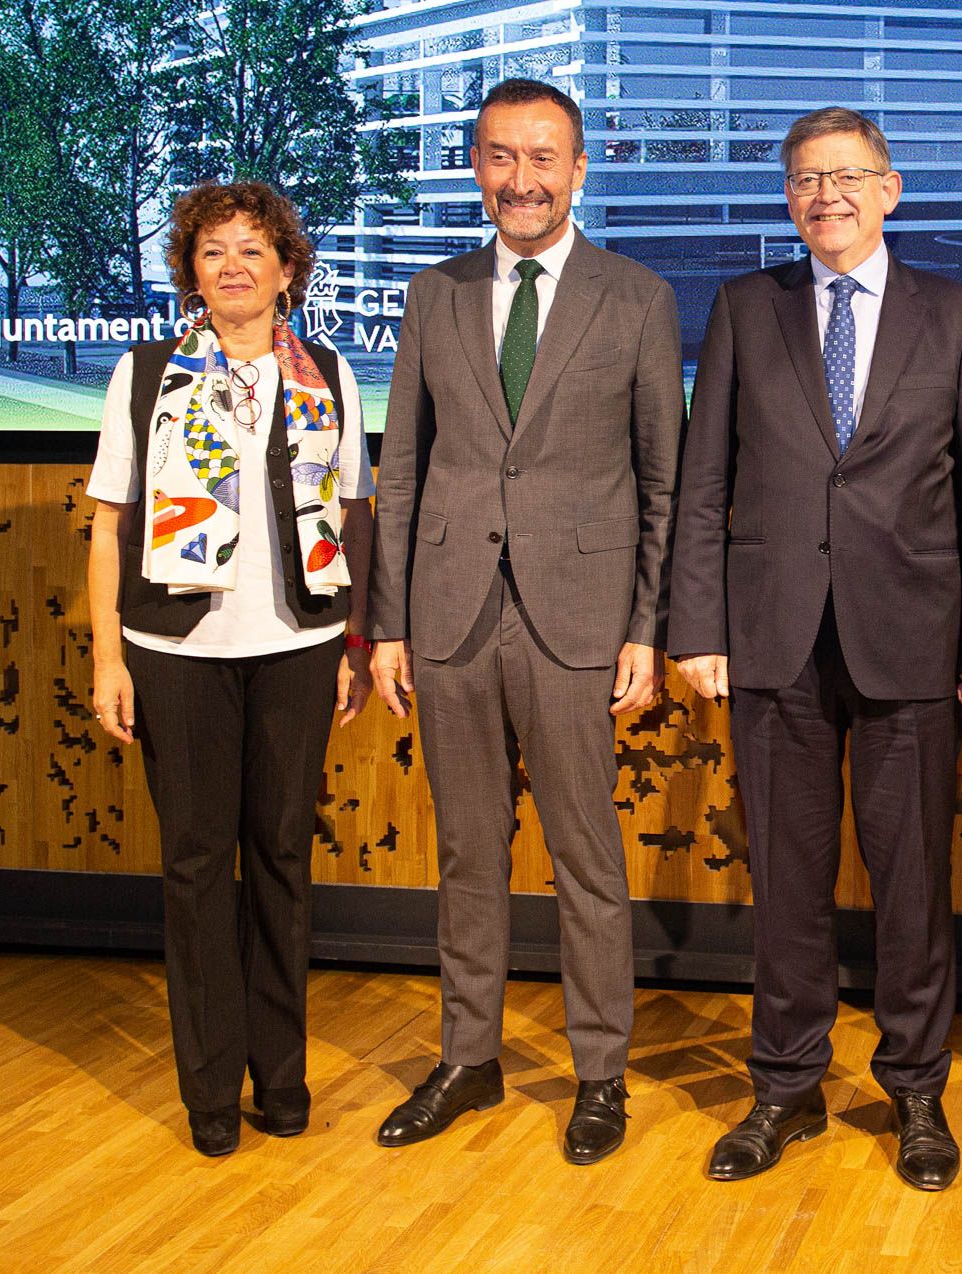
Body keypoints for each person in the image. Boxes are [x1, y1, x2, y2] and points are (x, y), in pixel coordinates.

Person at [669, 107, 962, 1192]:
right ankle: (784, 1086)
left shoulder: (956, 316)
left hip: (913, 643)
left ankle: (916, 1090)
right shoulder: (743, 308)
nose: (829, 195)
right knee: (787, 880)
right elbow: (703, 483)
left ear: (891, 189)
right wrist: (695, 624)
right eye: (809, 179)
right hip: (771, 640)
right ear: (789, 199)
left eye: (850, 176)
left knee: (912, 883)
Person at [366, 78, 683, 1164]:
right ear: (476, 168)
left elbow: (662, 479)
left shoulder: (636, 296)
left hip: (581, 621)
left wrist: (647, 623)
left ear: (579, 168)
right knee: (466, 854)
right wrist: (389, 622)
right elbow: (399, 468)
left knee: (588, 860)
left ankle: (601, 1072)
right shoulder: (432, 295)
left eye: (542, 156)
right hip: (450, 615)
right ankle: (470, 1056)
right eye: (501, 156)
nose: (522, 178)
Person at [84, 181, 376, 1157]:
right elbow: (109, 524)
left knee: (283, 865)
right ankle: (211, 1088)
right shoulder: (144, 373)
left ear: (288, 268)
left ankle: (281, 1076)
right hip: (174, 653)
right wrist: (106, 656)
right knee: (198, 868)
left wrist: (352, 644)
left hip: (298, 651)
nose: (234, 266)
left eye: (254, 248)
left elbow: (354, 518)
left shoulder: (329, 369)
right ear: (191, 272)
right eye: (213, 250)